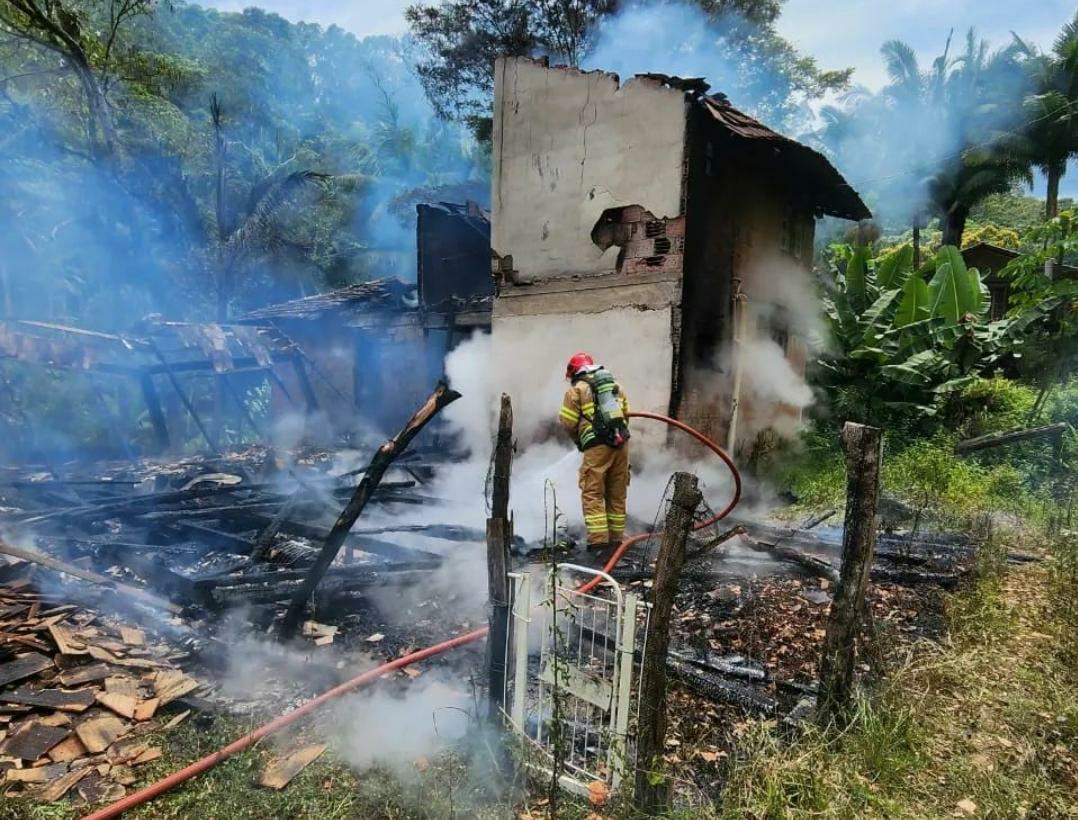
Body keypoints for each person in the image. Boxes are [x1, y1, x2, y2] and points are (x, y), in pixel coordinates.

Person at [558, 353, 631, 549]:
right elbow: (625, 415)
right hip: (621, 444)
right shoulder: (617, 386)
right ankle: (616, 540)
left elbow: (568, 422)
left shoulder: (576, 391)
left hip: (596, 446)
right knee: (617, 493)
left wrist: (580, 441)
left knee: (593, 493)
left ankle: (599, 544)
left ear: (574, 372)